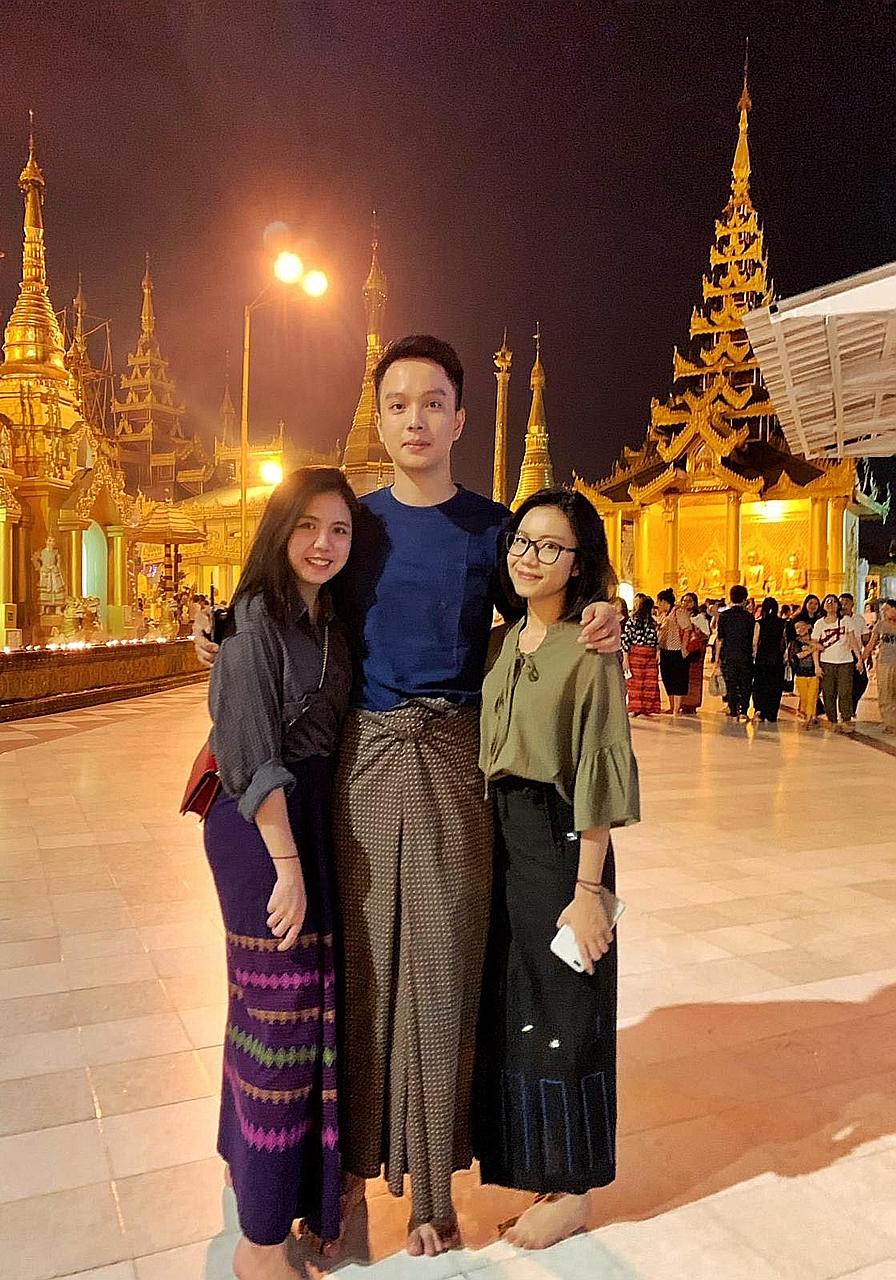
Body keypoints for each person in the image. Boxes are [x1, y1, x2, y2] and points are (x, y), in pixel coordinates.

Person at [194, 335, 623, 1258]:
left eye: (434, 403)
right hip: (357, 766)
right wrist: (222, 624)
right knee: (359, 975)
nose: (416, 419)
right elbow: (288, 603)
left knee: (443, 969)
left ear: (460, 418)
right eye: (398, 404)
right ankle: (346, 1180)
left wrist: (606, 607)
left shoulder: (494, 527)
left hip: (456, 767)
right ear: (380, 417)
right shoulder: (354, 524)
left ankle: (431, 1189)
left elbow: (547, 594)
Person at [474, 487, 639, 1249]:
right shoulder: (508, 640)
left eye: (549, 547)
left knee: (570, 1009)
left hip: (563, 840)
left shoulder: (592, 645)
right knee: (524, 1010)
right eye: (522, 541)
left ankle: (574, 1190)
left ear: (580, 564)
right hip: (504, 838)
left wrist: (588, 892)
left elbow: (602, 765)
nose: (529, 557)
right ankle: (544, 1172)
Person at [203, 466, 357, 1280]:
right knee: (282, 1020)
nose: (322, 544)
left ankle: (289, 1190)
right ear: (278, 530)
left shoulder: (329, 618)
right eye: (307, 527)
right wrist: (287, 866)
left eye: (338, 530)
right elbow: (251, 753)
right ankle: (259, 1243)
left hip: (310, 823)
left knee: (306, 1013)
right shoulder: (256, 618)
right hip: (262, 830)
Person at [812, 593, 863, 734]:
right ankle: (832, 720)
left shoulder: (846, 620)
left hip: (845, 661)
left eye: (833, 602)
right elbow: (815, 646)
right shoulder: (819, 624)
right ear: (823, 606)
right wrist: (816, 665)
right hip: (826, 662)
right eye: (827, 602)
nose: (830, 604)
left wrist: (859, 658)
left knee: (845, 691)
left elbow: (852, 640)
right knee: (828, 693)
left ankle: (846, 718)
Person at [714, 584, 754, 722]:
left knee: (731, 683)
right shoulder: (749, 617)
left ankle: (732, 709)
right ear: (744, 600)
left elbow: (720, 639)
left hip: (728, 655)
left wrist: (717, 659)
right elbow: (752, 638)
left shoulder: (724, 616)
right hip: (745, 654)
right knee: (745, 683)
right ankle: (744, 710)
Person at [622, 593, 661, 716]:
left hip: (645, 653)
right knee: (639, 681)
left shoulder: (649, 622)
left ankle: (643, 707)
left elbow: (627, 640)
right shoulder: (635, 621)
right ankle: (638, 707)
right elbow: (627, 640)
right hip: (641, 653)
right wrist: (625, 658)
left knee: (646, 681)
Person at [655, 588, 691, 716]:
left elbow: (687, 629)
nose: (658, 605)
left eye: (659, 602)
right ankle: (671, 706)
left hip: (677, 650)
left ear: (664, 602)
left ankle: (677, 708)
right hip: (665, 649)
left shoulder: (678, 612)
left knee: (678, 678)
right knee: (667, 677)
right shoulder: (664, 615)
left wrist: (684, 647)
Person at [862, 599, 896, 734]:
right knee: (885, 693)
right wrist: (862, 658)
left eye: (887, 609)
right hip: (884, 663)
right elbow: (871, 643)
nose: (884, 612)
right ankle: (889, 723)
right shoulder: (880, 625)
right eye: (883, 610)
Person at [752, 596, 787, 722]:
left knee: (760, 685)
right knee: (775, 686)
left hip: (763, 658)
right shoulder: (783, 623)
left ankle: (759, 710)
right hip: (777, 659)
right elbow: (785, 642)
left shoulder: (759, 623)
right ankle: (772, 712)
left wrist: (754, 656)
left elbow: (755, 642)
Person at [840, 593, 872, 715]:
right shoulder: (837, 618)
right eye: (841, 602)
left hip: (856, 654)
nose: (844, 605)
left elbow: (865, 639)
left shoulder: (859, 619)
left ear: (852, 604)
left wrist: (867, 656)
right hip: (841, 654)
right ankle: (846, 710)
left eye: (846, 602)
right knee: (845, 684)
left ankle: (852, 705)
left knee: (862, 681)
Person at [679, 591, 710, 714]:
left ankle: (691, 703)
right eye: (684, 600)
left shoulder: (699, 617)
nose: (686, 603)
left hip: (695, 652)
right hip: (681, 650)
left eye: (689, 601)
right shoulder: (679, 616)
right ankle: (680, 701)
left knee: (694, 678)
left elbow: (706, 633)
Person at [789, 619, 820, 729]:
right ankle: (807, 714)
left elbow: (821, 648)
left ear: (808, 626)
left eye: (802, 626)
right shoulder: (795, 643)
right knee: (804, 697)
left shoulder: (814, 640)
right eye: (797, 627)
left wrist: (812, 645)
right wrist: (811, 650)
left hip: (813, 674)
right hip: (801, 674)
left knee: (812, 697)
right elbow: (797, 656)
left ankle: (809, 718)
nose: (800, 629)